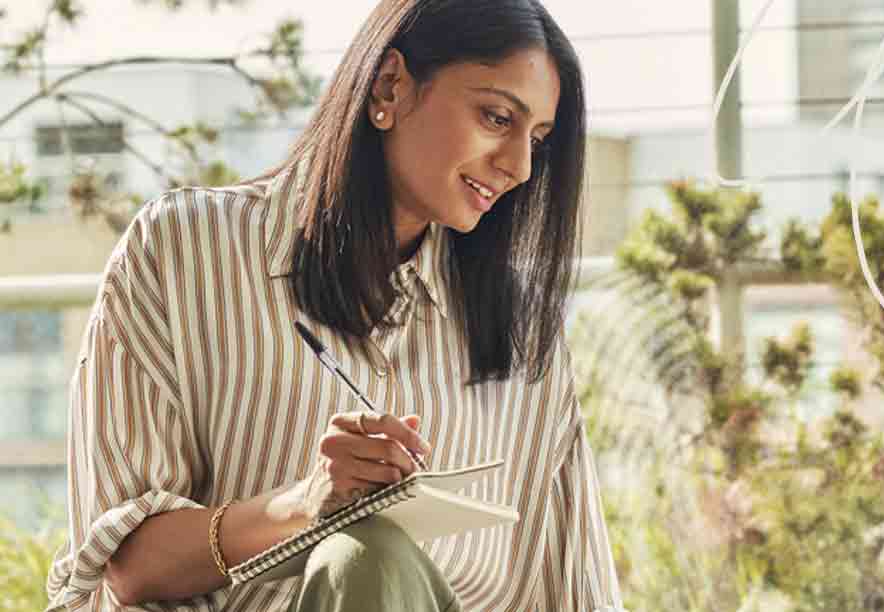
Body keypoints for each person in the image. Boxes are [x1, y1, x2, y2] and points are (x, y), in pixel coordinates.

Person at [44, 0, 623, 610]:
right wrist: (302, 507)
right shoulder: (184, 250)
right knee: (366, 555)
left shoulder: (523, 331)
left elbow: (573, 589)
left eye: (538, 139)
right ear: (390, 84)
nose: (520, 167)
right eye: (497, 117)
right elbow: (127, 569)